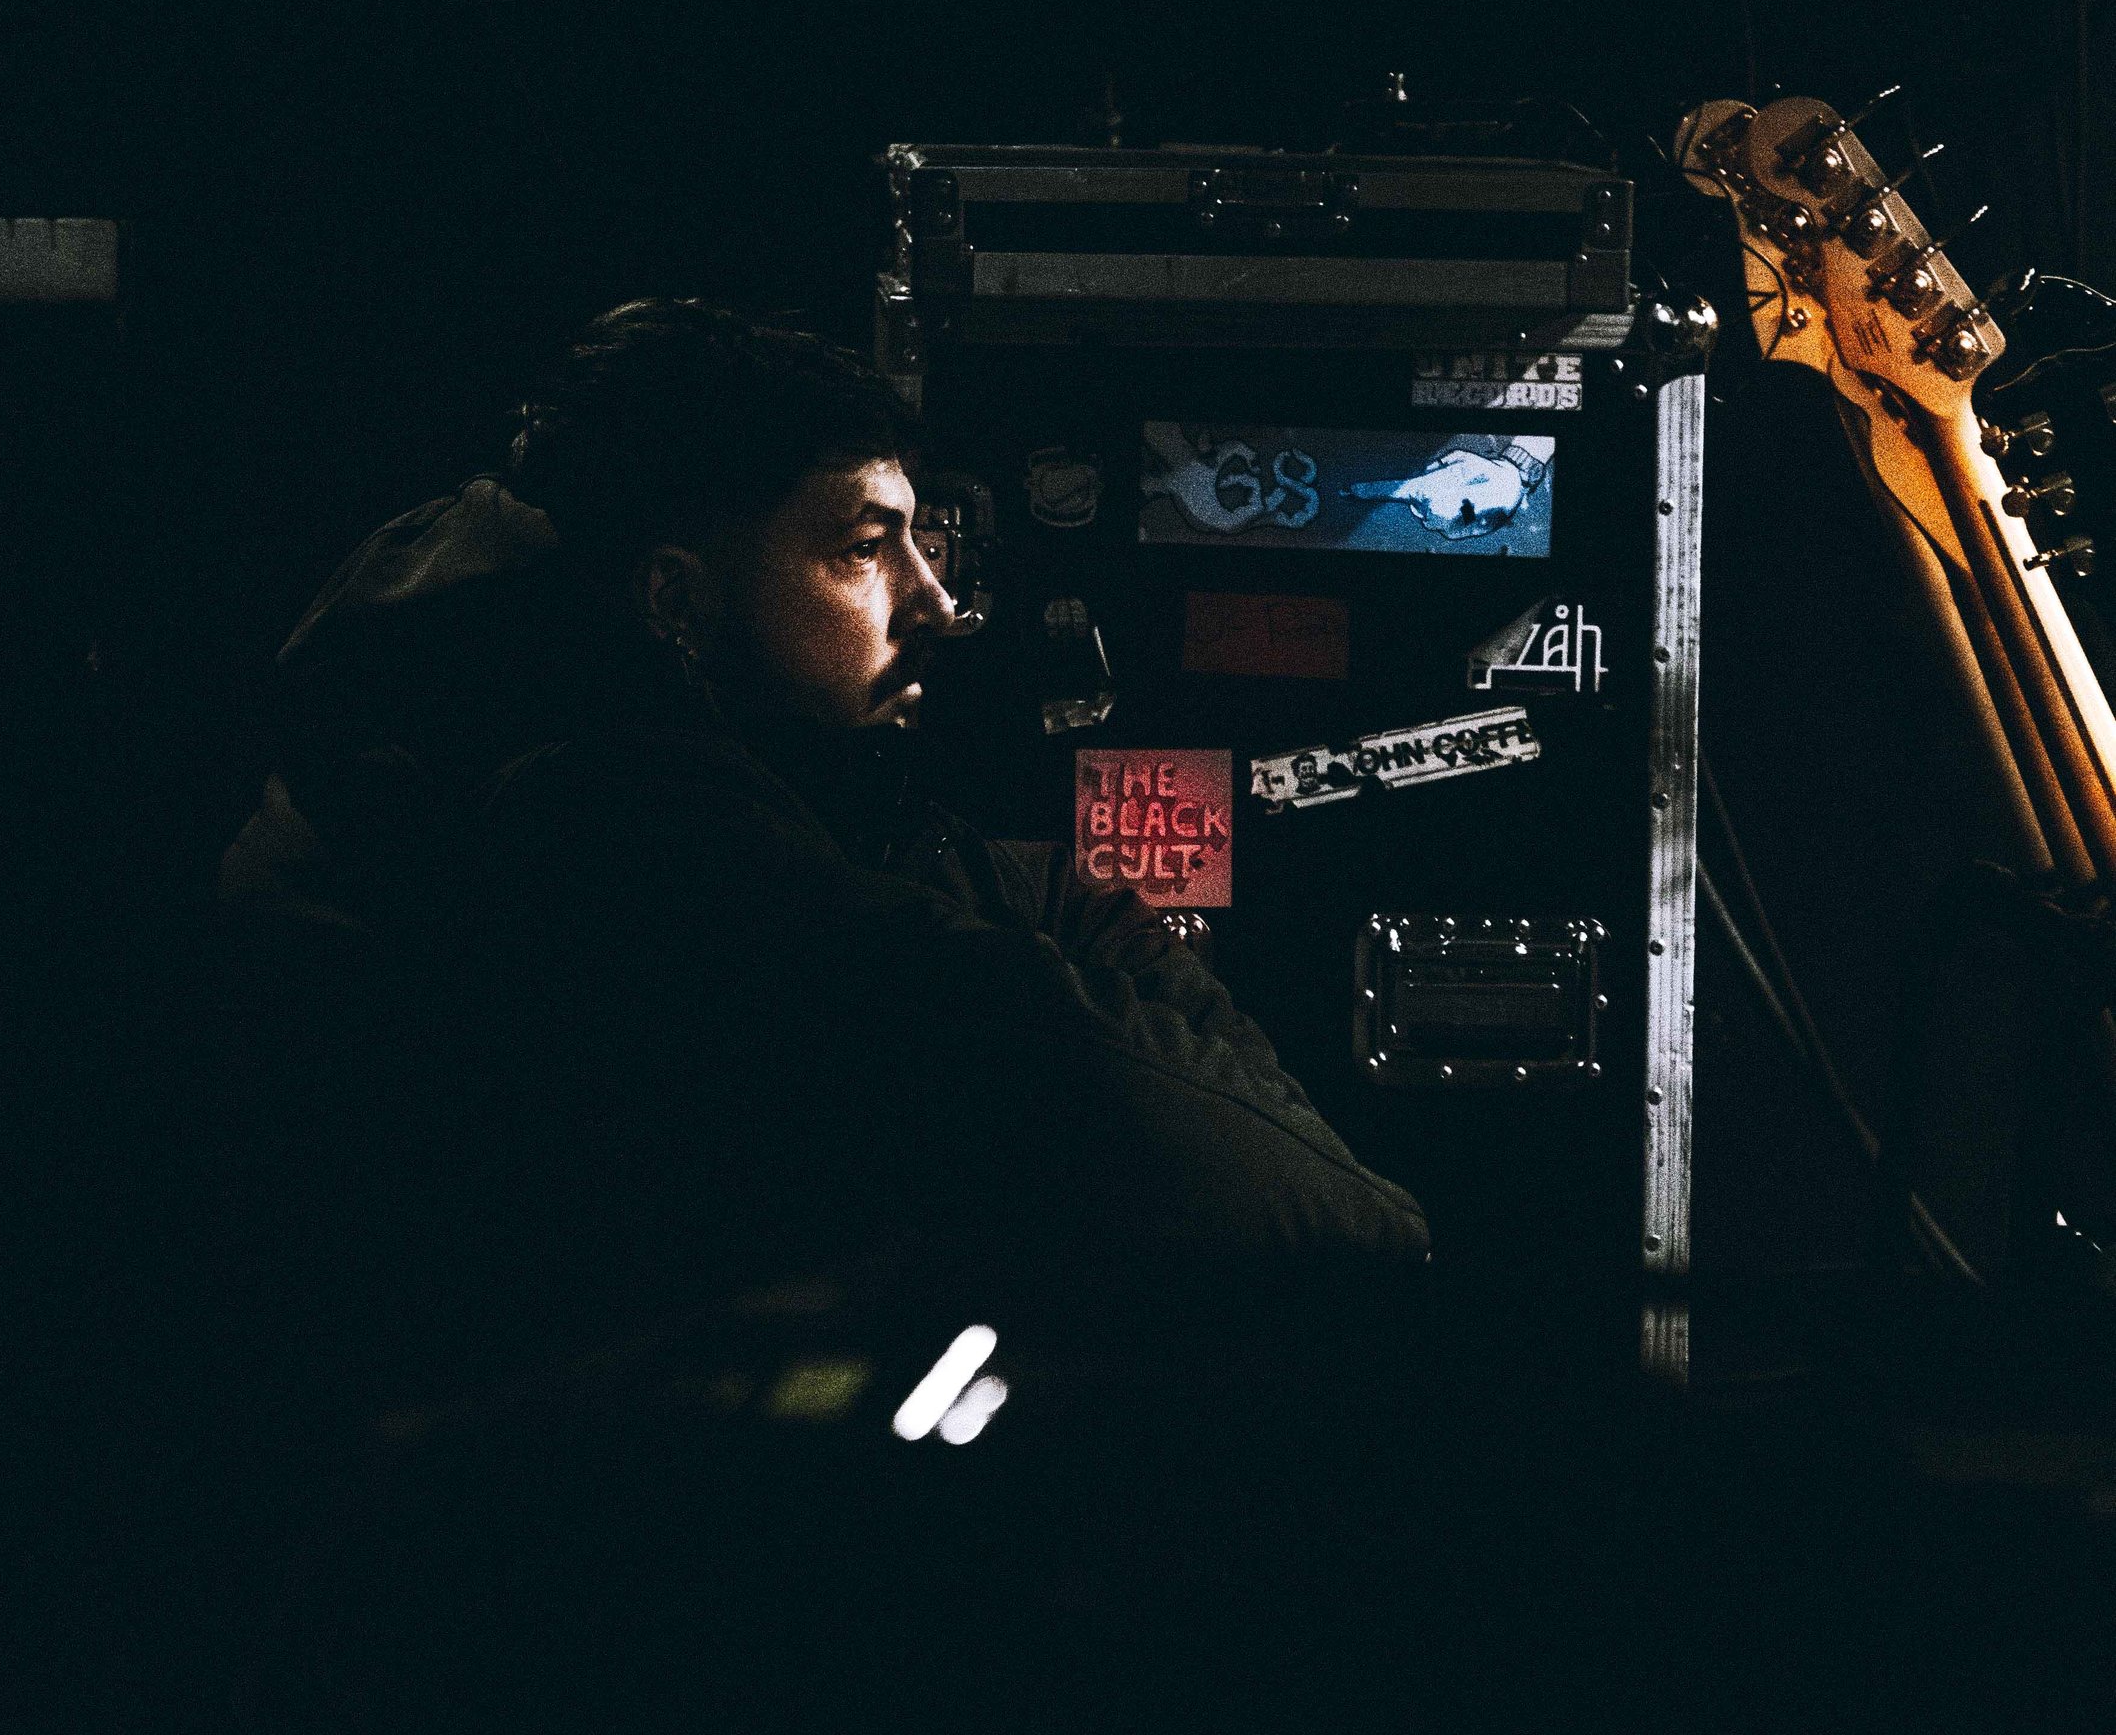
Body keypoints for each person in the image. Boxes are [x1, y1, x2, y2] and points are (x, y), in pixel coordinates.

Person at [217, 299, 1427, 1414]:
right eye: (862, 548)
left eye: (923, 542)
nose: (936, 604)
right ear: (674, 600)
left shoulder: (570, 744)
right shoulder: (609, 831)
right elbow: (1288, 1205)